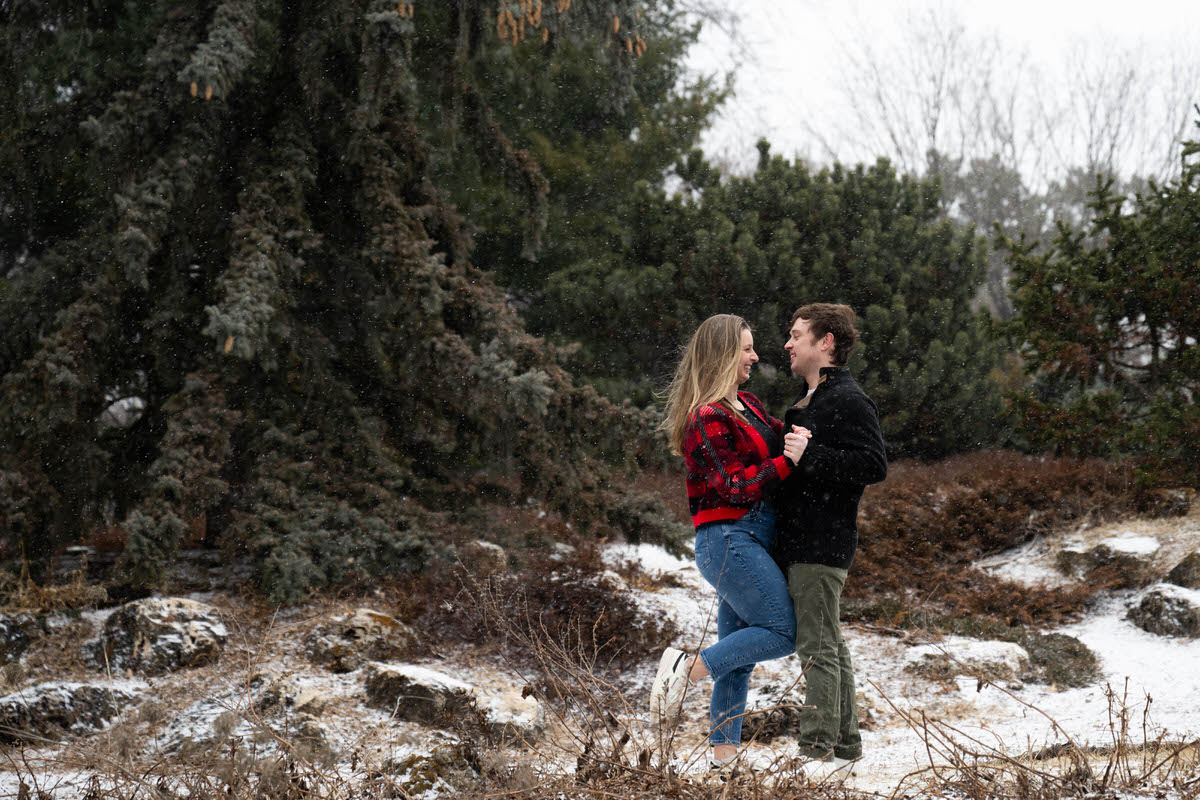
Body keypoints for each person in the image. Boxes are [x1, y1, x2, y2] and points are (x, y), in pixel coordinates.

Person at [650, 313, 809, 770]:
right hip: (728, 537)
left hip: (752, 536)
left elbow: (785, 438)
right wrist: (787, 463)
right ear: (723, 354)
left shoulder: (750, 406)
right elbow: (734, 488)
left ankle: (725, 760)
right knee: (783, 631)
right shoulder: (706, 416)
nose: (755, 356)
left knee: (737, 656)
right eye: (745, 348)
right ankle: (687, 669)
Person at [774, 303, 887, 772]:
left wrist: (810, 454)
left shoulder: (848, 400)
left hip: (821, 543)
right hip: (806, 542)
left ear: (826, 343)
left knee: (817, 647)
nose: (787, 343)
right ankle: (844, 747)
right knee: (830, 644)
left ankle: (815, 751)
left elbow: (873, 466)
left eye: (797, 335)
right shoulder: (813, 398)